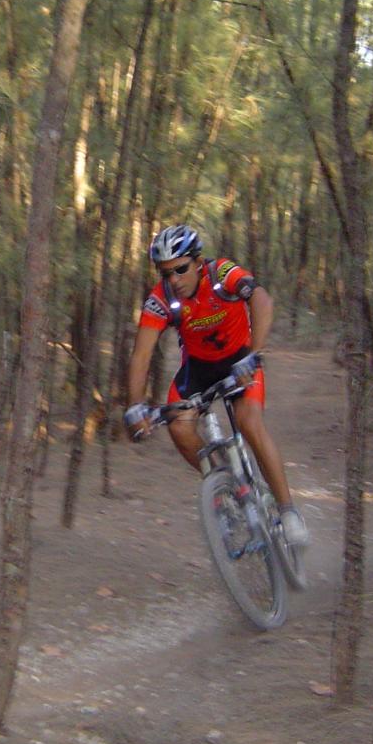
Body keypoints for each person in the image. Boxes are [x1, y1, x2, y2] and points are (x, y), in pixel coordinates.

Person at [124, 223, 308, 547]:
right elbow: (141, 354)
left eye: (180, 269)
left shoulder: (222, 273)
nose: (174, 280)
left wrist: (254, 354)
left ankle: (288, 510)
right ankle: (227, 482)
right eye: (166, 273)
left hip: (240, 360)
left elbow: (262, 300)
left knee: (250, 423)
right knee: (179, 428)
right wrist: (136, 404)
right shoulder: (160, 299)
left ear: (197, 261)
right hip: (198, 369)